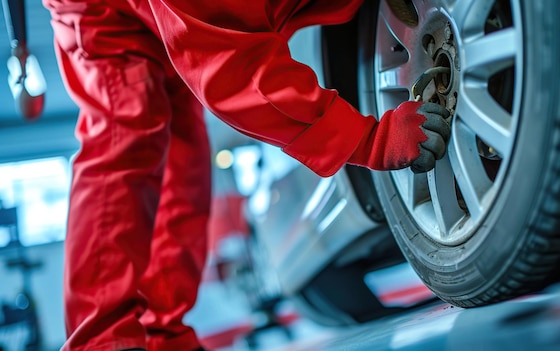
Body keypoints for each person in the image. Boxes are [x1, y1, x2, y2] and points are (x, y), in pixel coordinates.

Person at [41, 0, 451, 350]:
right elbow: (240, 72)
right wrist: (369, 141)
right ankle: (102, 340)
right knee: (124, 135)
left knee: (185, 162)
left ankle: (161, 334)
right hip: (105, 13)